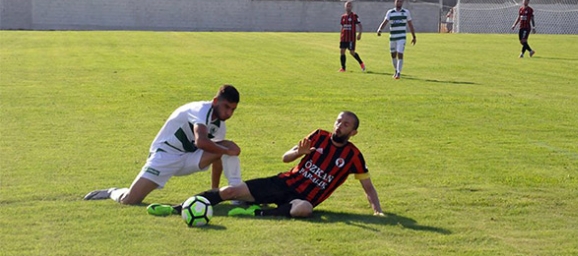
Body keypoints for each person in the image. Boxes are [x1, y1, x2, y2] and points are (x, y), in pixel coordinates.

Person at [147, 111, 385, 218]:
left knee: (305, 209)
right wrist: (299, 152)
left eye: (345, 124)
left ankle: (260, 212)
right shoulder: (319, 136)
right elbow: (285, 158)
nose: (339, 126)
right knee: (230, 191)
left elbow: (368, 187)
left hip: (303, 199)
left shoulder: (354, 156)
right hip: (283, 182)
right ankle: (180, 207)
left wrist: (377, 210)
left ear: (353, 132)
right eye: (338, 121)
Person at [83, 84, 243, 205]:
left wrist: (214, 192)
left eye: (233, 110)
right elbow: (201, 141)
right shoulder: (200, 110)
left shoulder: (220, 126)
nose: (229, 113)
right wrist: (226, 151)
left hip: (189, 159)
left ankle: (236, 193)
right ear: (215, 101)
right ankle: (113, 191)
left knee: (229, 147)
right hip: (165, 155)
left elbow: (218, 156)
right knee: (130, 200)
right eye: (226, 107)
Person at [377, 0, 416, 79]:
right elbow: (385, 22)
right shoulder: (390, 12)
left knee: (400, 53)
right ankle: (395, 70)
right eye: (397, 1)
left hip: (401, 37)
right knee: (393, 54)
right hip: (393, 37)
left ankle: (398, 72)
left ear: (402, 3)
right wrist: (380, 29)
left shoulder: (406, 12)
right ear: (395, 2)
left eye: (400, 1)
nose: (399, 3)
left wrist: (414, 36)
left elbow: (410, 24)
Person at [339, 1, 365, 72]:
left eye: (349, 6)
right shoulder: (343, 17)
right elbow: (343, 27)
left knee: (352, 52)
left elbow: (360, 25)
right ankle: (343, 68)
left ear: (351, 7)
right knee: (342, 51)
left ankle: (361, 63)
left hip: (351, 38)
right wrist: (341, 35)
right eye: (347, 6)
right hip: (344, 37)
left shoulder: (354, 16)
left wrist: (359, 34)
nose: (348, 7)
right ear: (345, 7)